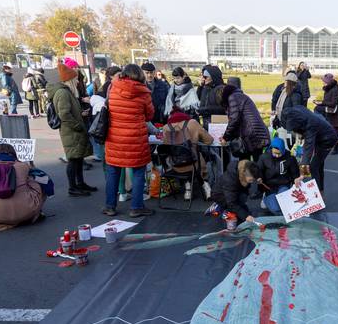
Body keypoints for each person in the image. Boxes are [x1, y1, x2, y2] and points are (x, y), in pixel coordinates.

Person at [104, 64, 155, 217]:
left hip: (115, 138)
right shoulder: (143, 93)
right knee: (139, 172)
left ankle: (110, 206)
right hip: (135, 139)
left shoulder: (113, 88)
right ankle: (136, 207)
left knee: (113, 172)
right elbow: (150, 115)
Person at [47, 62, 95, 197]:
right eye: (75, 79)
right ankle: (73, 187)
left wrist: (80, 114)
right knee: (73, 160)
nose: (77, 81)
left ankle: (80, 184)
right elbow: (64, 114)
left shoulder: (66, 91)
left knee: (78, 158)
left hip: (73, 130)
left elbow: (68, 112)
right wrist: (77, 125)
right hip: (71, 131)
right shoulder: (62, 92)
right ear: (69, 80)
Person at [281, 105, 338, 192]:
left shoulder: (310, 126)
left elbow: (308, 149)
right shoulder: (296, 110)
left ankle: (317, 195)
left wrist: (302, 174)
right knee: (318, 165)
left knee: (314, 167)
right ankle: (321, 190)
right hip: (320, 135)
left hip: (328, 139)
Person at [0, 144, 46, 232]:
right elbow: (44, 178)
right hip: (27, 212)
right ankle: (36, 213)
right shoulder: (23, 166)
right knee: (36, 181)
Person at [163, 108, 215, 200]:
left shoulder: (166, 127)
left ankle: (188, 189)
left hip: (175, 166)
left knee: (183, 156)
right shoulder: (192, 123)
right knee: (199, 155)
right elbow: (209, 140)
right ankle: (206, 187)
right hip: (194, 165)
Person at [220, 84, 271, 162]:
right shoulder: (240, 96)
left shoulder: (233, 97)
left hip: (251, 134)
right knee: (257, 163)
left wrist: (225, 137)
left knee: (246, 164)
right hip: (257, 133)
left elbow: (234, 120)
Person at [207, 160, 261, 227]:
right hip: (220, 195)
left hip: (233, 192)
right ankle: (221, 209)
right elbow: (232, 203)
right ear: (244, 174)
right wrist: (245, 216)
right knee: (233, 220)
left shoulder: (245, 169)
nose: (252, 182)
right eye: (251, 180)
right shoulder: (230, 180)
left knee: (243, 205)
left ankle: (228, 208)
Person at [257, 137, 300, 215]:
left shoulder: (290, 157)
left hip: (284, 184)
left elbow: (295, 173)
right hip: (269, 186)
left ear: (283, 150)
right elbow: (258, 170)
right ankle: (265, 197)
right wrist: (259, 177)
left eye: (279, 153)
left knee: (284, 205)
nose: (276, 156)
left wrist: (296, 179)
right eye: (274, 153)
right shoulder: (264, 157)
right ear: (271, 149)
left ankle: (285, 218)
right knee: (275, 209)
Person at [314, 73, 338, 155]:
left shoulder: (334, 90)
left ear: (328, 82)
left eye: (324, 81)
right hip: (329, 112)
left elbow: (333, 103)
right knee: (330, 131)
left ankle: (336, 148)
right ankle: (330, 146)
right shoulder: (328, 88)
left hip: (334, 114)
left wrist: (322, 103)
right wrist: (321, 103)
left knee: (334, 131)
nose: (323, 83)